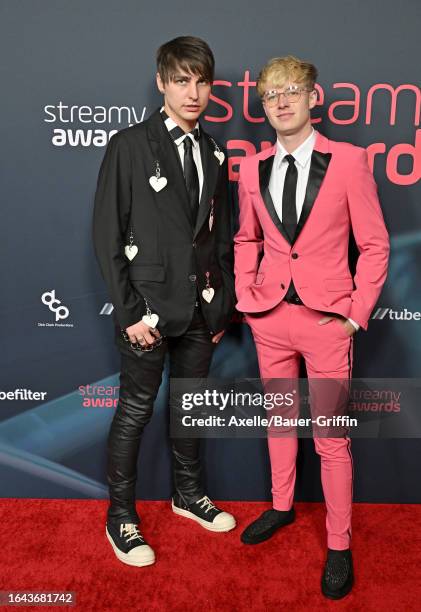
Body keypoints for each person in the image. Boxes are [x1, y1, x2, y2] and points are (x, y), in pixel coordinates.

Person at [234, 55, 389, 599]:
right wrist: (246, 298)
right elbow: (247, 239)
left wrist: (354, 313)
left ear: (313, 97)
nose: (281, 101)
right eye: (271, 94)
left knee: (331, 439)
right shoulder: (251, 169)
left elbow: (374, 244)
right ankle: (280, 507)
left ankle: (339, 545)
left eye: (292, 90)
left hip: (328, 323)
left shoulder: (348, 161)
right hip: (270, 320)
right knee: (279, 422)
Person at [93, 35, 236, 567]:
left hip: (202, 308)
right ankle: (121, 517)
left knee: (190, 408)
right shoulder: (130, 144)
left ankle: (187, 495)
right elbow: (107, 237)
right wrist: (130, 314)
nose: (192, 91)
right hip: (146, 311)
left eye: (201, 81)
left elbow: (220, 237)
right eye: (182, 80)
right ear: (161, 82)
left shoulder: (215, 150)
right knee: (134, 411)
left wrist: (221, 304)